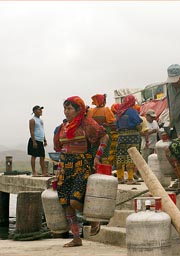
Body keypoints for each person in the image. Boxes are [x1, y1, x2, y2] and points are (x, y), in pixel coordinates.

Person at [54, 96, 109, 247]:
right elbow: (62, 150)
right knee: (66, 204)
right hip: (65, 167)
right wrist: (58, 171)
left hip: (82, 165)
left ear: (79, 109)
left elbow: (104, 136)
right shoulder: (63, 127)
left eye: (69, 108)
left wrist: (97, 157)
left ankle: (93, 219)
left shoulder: (87, 123)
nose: (66, 112)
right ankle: (76, 238)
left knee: (75, 200)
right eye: (65, 108)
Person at [115, 95, 143, 185]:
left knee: (121, 156)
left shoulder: (119, 112)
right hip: (132, 137)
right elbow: (138, 124)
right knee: (131, 156)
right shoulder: (132, 111)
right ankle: (130, 179)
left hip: (121, 137)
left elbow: (116, 125)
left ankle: (120, 177)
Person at [87, 94, 116, 164]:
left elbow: (88, 122)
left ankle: (95, 167)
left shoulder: (91, 111)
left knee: (95, 150)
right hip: (105, 133)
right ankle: (105, 169)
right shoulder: (106, 110)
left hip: (93, 134)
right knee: (105, 151)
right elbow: (112, 122)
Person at [28, 105, 48, 177]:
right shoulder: (32, 120)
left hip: (40, 141)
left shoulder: (41, 121)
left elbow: (42, 130)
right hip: (35, 140)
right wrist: (34, 142)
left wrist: (45, 140)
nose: (41, 111)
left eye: (41, 110)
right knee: (34, 156)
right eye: (39, 110)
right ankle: (34, 172)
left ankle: (44, 172)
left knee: (42, 157)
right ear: (34, 111)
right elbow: (32, 131)